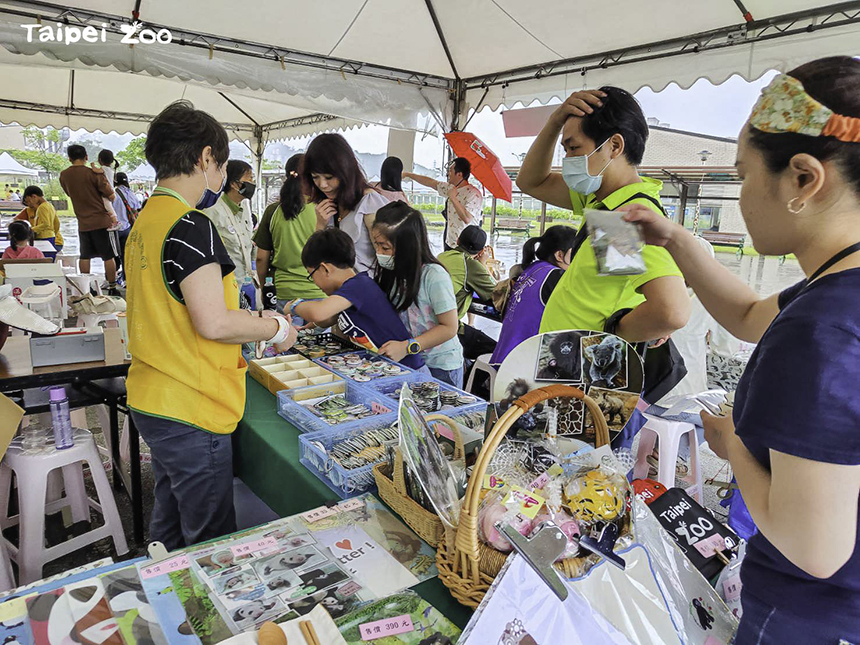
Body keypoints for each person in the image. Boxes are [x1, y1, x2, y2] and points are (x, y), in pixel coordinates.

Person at [623, 57, 860, 643]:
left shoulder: (821, 331)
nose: (743, 192)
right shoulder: (835, 287)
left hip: (811, 615)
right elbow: (750, 316)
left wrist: (734, 450)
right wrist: (676, 238)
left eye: (743, 173)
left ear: (804, 179)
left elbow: (815, 548)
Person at [125, 100, 296, 551]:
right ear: (205, 159)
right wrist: (274, 327)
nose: (220, 179)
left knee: (171, 518)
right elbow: (214, 323)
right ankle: (202, 621)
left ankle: (161, 603)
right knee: (209, 540)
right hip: (190, 404)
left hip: (153, 394)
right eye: (220, 167)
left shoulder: (145, 220)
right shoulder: (191, 223)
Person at [515, 87, 690, 342]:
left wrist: (610, 335)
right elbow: (532, 181)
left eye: (573, 148)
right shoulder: (601, 203)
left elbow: (672, 312)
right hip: (569, 366)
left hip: (581, 372)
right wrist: (554, 122)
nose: (567, 160)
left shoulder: (619, 218)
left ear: (614, 146)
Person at [292, 228, 425, 370]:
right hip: (387, 368)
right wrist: (308, 327)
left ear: (325, 269)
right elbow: (329, 318)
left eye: (311, 275)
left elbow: (318, 312)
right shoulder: (350, 291)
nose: (314, 282)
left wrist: (293, 306)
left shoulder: (358, 286)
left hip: (408, 369)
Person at [372, 202, 464, 387]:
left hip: (441, 366)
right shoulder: (392, 272)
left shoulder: (433, 275)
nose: (378, 253)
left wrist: (407, 347)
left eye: (385, 247)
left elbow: (449, 327)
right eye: (377, 245)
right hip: (410, 360)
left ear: (408, 246)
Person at [489, 225, 578, 366]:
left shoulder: (533, 268)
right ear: (559, 255)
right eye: (576, 253)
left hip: (503, 355)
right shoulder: (556, 277)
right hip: (524, 365)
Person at [303, 133, 390, 274]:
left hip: (370, 290)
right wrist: (320, 226)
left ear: (346, 170)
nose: (322, 184)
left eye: (329, 177)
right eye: (315, 177)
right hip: (345, 291)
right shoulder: (329, 207)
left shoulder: (369, 203)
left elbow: (388, 260)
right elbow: (317, 262)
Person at [255, 154, 324, 316]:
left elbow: (261, 258)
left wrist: (265, 286)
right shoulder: (324, 210)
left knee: (285, 340)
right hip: (320, 293)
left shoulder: (273, 211)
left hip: (283, 294)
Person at [59, 144, 120, 294]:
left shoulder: (64, 175)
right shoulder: (93, 173)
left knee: (85, 256)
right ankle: (112, 287)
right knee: (108, 257)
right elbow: (111, 195)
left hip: (83, 223)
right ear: (86, 157)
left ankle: (86, 289)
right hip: (101, 221)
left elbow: (69, 193)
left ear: (69, 158)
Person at [437, 225, 498, 360]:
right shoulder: (470, 265)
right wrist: (482, 263)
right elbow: (498, 292)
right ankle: (471, 379)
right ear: (482, 250)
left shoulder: (442, 256)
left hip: (430, 321)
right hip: (446, 328)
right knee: (496, 351)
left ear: (458, 241)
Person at [205, 160, 256, 306]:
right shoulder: (213, 211)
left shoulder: (244, 206)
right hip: (225, 288)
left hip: (246, 285)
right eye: (249, 179)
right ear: (234, 184)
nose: (253, 183)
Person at [404, 157, 483, 251]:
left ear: (459, 174)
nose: (448, 174)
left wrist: (453, 198)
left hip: (467, 245)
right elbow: (431, 182)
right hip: (450, 242)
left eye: (450, 171)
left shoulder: (473, 193)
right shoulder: (450, 188)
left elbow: (467, 218)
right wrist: (408, 174)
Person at [16, 186, 64, 252]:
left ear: (34, 196)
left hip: (44, 237)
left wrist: (30, 230)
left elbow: (46, 224)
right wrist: (54, 232)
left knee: (42, 257)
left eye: (29, 201)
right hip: (51, 236)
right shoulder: (50, 205)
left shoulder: (42, 207)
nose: (30, 204)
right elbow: (57, 223)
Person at [112, 172, 140, 282]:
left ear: (115, 181)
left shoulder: (113, 194)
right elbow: (137, 208)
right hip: (128, 228)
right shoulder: (131, 193)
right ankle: (126, 278)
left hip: (116, 229)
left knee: (113, 256)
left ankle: (111, 279)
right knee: (126, 256)